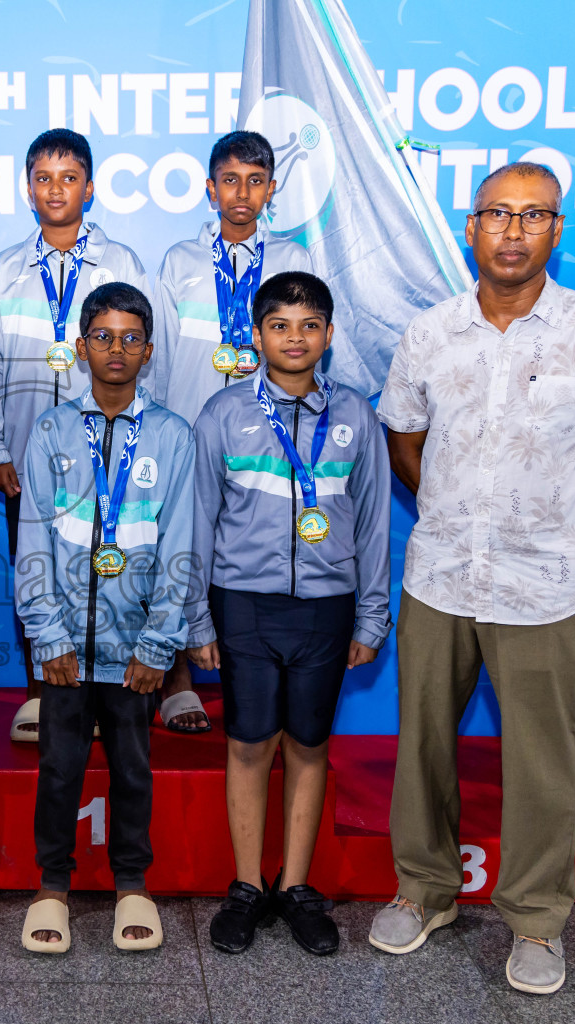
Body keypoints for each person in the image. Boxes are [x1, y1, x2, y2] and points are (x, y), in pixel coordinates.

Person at [372, 162, 575, 995]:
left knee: (544, 762)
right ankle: (425, 890)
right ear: (470, 227)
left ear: (557, 230)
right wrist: (453, 508)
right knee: (424, 748)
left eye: (533, 216)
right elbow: (407, 442)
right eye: (497, 215)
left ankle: (538, 923)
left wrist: (564, 526)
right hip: (439, 578)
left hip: (546, 590)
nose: (512, 231)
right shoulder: (430, 332)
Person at [185, 271, 390, 957]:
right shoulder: (223, 413)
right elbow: (198, 522)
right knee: (247, 742)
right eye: (280, 324)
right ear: (257, 334)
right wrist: (196, 619)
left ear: (329, 335)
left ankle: (296, 887)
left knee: (308, 743)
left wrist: (370, 618)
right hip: (242, 603)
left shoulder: (357, 415)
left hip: (327, 608)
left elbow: (372, 526)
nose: (295, 337)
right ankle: (247, 886)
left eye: (309, 325)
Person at [15, 282, 194, 954]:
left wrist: (160, 643)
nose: (116, 349)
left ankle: (131, 883)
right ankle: (52, 887)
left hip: (136, 650)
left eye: (130, 338)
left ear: (148, 351)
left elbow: (181, 544)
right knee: (59, 767)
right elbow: (32, 536)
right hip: (65, 647)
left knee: (132, 767)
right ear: (82, 345)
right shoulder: (53, 430)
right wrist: (47, 632)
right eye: (103, 336)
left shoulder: (172, 437)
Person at [0, 127, 155, 742]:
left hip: (110, 452)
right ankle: (42, 693)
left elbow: (140, 352)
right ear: (28, 189)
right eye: (44, 178)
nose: (56, 189)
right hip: (29, 457)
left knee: (111, 567)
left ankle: (109, 694)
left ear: (90, 188)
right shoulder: (5, 270)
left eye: (69, 177)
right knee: (37, 570)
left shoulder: (122, 263)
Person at [147, 130, 320, 735]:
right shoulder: (180, 262)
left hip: (268, 435)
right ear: (209, 188)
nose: (240, 194)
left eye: (254, 181)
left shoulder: (295, 257)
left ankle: (257, 672)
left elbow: (310, 349)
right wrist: (158, 427)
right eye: (229, 180)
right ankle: (177, 681)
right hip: (192, 428)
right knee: (179, 548)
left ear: (272, 188)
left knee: (251, 550)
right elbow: (161, 354)